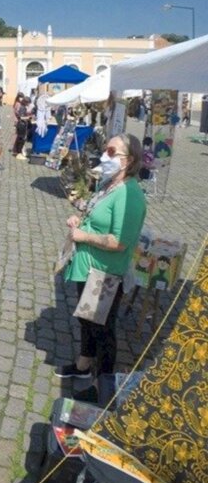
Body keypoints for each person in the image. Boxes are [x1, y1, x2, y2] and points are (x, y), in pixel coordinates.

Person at [56, 134, 147, 386]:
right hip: (88, 269)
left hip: (104, 273)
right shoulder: (109, 184)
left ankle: (103, 385)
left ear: (127, 161)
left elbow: (119, 242)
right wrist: (79, 221)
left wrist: (83, 235)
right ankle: (83, 365)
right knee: (86, 320)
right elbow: (95, 215)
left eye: (111, 151)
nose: (104, 156)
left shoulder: (130, 195)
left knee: (103, 330)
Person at [12, 93, 33, 159]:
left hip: (21, 124)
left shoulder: (22, 107)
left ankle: (19, 152)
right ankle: (19, 152)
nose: (29, 104)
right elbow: (21, 117)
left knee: (20, 139)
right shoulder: (22, 107)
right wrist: (29, 117)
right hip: (21, 125)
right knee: (21, 139)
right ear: (26, 102)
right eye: (28, 103)